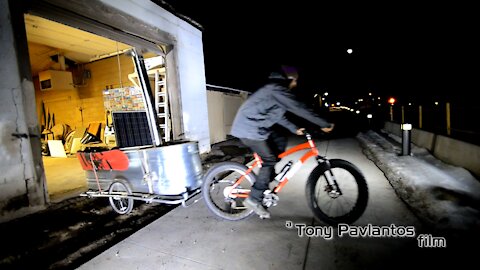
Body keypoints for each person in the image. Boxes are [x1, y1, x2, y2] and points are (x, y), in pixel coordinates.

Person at [230, 65, 334, 219]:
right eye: (295, 81)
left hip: (255, 127)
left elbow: (278, 116)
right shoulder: (276, 89)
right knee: (269, 160)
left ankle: (267, 177)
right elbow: (298, 108)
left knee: (280, 140)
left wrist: (295, 129)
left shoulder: (275, 91)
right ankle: (254, 198)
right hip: (249, 129)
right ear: (289, 79)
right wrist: (323, 123)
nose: (296, 84)